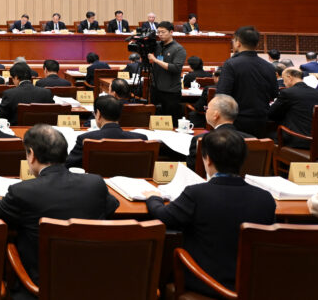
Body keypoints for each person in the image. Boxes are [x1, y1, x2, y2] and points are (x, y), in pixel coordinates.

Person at [0, 125, 119, 288]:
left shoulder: (22, 191)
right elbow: (112, 205)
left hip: (43, 283)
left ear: (31, 155)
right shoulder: (95, 183)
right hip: (92, 279)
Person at [143, 131, 275, 297]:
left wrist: (153, 198)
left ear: (208, 159)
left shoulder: (197, 194)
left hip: (206, 282)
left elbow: (163, 216)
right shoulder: (265, 198)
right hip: (251, 286)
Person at [214, 26, 279, 137]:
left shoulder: (230, 64)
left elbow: (222, 94)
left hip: (235, 120)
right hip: (261, 120)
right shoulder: (269, 66)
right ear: (257, 44)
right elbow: (274, 93)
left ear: (238, 43)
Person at [64, 95, 145, 168]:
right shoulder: (140, 139)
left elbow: (68, 165)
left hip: (95, 180)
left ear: (98, 114)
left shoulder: (85, 139)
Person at [185, 94, 252, 168]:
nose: (205, 111)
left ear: (215, 115)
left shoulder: (201, 140)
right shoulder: (251, 139)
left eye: (207, 108)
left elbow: (192, 169)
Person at [268, 67, 318, 148]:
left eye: (283, 79)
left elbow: (272, 114)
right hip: (316, 140)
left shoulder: (287, 93)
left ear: (289, 77)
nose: (283, 82)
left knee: (265, 134)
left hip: (295, 138)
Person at [147, 21, 186, 120]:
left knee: (170, 120)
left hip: (170, 92)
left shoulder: (178, 49)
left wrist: (155, 60)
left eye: (163, 32)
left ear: (171, 32)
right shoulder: (157, 45)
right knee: (155, 119)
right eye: (158, 32)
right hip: (156, 89)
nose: (160, 34)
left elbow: (176, 68)